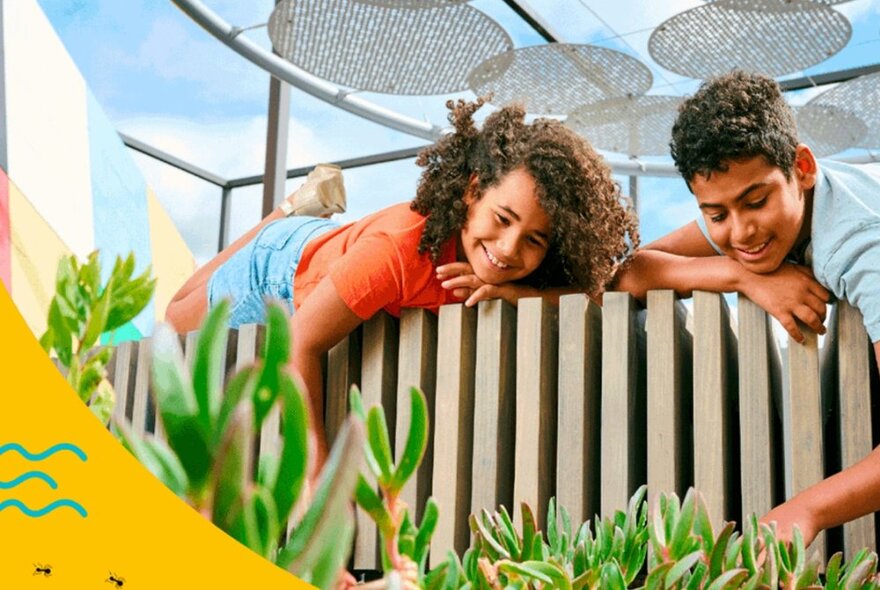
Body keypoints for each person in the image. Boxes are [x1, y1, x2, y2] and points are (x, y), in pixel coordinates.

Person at [166, 97, 639, 463]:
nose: (510, 248)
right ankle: (284, 213)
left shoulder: (512, 268)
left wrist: (513, 291)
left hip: (340, 247)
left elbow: (602, 289)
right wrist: (318, 481)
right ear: (473, 191)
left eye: (535, 240)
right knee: (171, 318)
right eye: (503, 217)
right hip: (278, 267)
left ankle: (296, 213)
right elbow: (297, 345)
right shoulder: (400, 252)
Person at [612, 70, 880, 547]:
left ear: (802, 167)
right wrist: (741, 275)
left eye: (755, 202)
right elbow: (631, 270)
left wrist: (805, 510)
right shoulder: (756, 221)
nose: (741, 234)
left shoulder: (862, 250)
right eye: (716, 215)